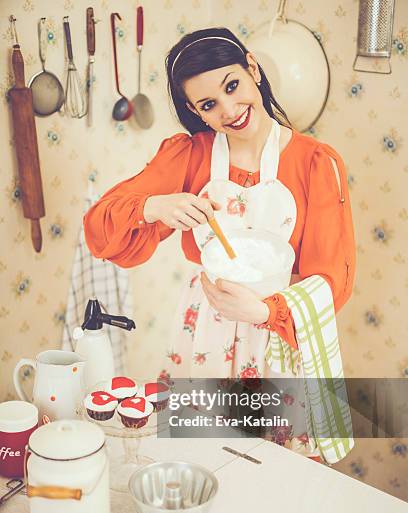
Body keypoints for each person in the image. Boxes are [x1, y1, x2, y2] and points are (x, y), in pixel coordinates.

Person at [84, 27, 355, 452]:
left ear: (253, 69)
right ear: (197, 111)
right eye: (209, 104)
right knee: (200, 456)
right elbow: (100, 230)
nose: (229, 110)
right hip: (202, 332)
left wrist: (263, 311)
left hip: (277, 336)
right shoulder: (190, 155)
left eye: (233, 86)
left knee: (272, 468)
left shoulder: (315, 164)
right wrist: (153, 207)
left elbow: (331, 280)